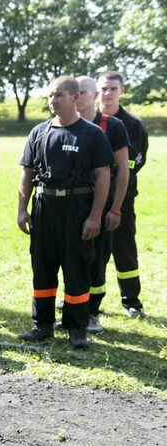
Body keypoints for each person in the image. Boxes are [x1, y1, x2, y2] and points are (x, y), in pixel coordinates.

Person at [17, 76, 112, 349]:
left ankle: (76, 327)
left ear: (76, 97)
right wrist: (23, 210)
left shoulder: (92, 134)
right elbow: (27, 173)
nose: (53, 101)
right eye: (50, 96)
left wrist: (95, 216)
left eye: (59, 95)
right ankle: (42, 325)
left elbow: (103, 176)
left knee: (77, 268)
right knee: (42, 266)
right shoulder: (39, 132)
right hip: (44, 208)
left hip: (77, 209)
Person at [76, 76, 130, 333]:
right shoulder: (64, 124)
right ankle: (74, 304)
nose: (78, 97)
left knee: (98, 259)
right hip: (71, 206)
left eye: (83, 92)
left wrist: (115, 208)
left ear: (95, 95)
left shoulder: (113, 126)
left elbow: (123, 171)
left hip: (102, 204)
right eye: (74, 92)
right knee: (72, 257)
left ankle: (92, 312)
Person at [97, 71, 149, 317]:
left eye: (113, 89)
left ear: (122, 91)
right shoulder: (87, 119)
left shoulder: (133, 124)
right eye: (104, 88)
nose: (107, 93)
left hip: (122, 197)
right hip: (90, 197)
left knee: (125, 248)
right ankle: (85, 298)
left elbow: (136, 161)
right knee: (90, 250)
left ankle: (132, 301)